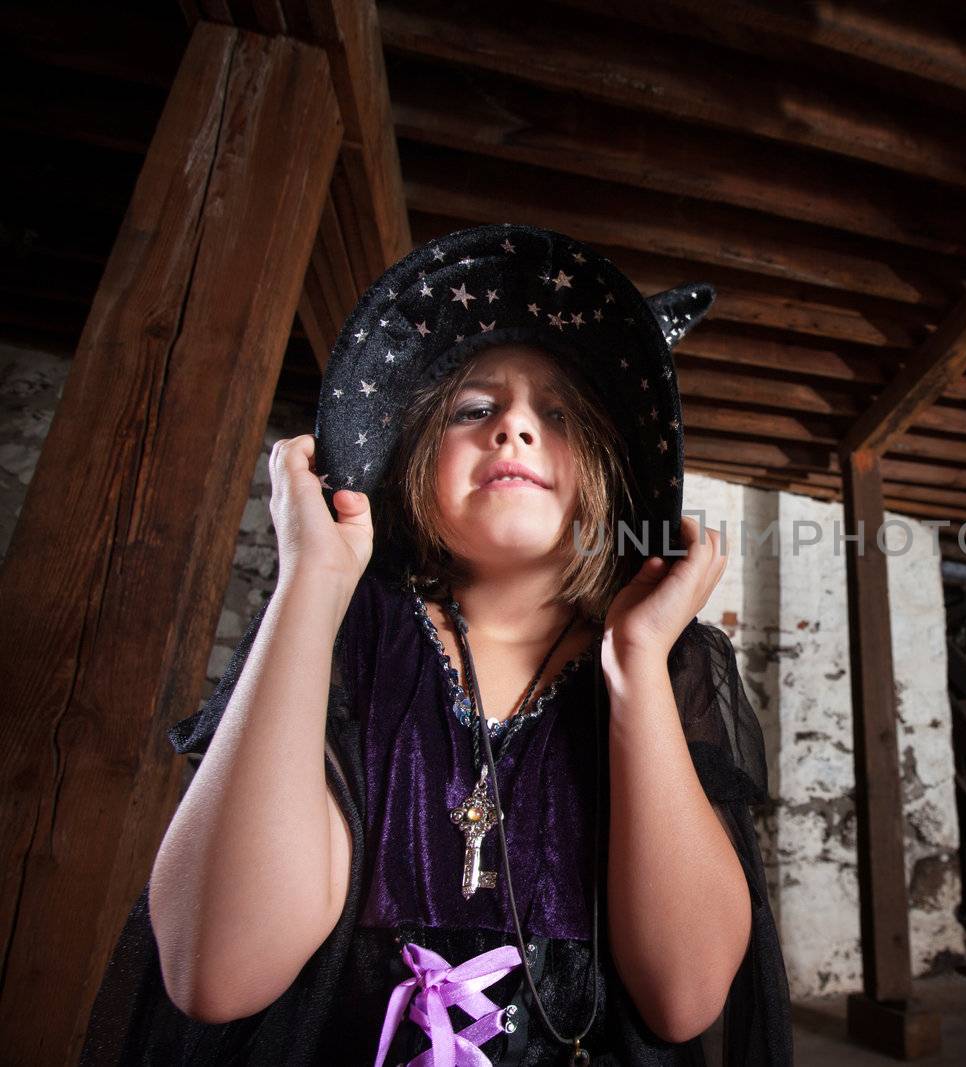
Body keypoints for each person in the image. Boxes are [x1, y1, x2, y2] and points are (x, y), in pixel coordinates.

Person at [79, 224, 793, 1066]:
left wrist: (635, 661)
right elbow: (215, 973)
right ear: (417, 457)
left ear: (606, 470)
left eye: (557, 413)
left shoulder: (671, 660)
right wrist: (311, 583)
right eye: (475, 408)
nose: (516, 427)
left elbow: (684, 999)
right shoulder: (345, 639)